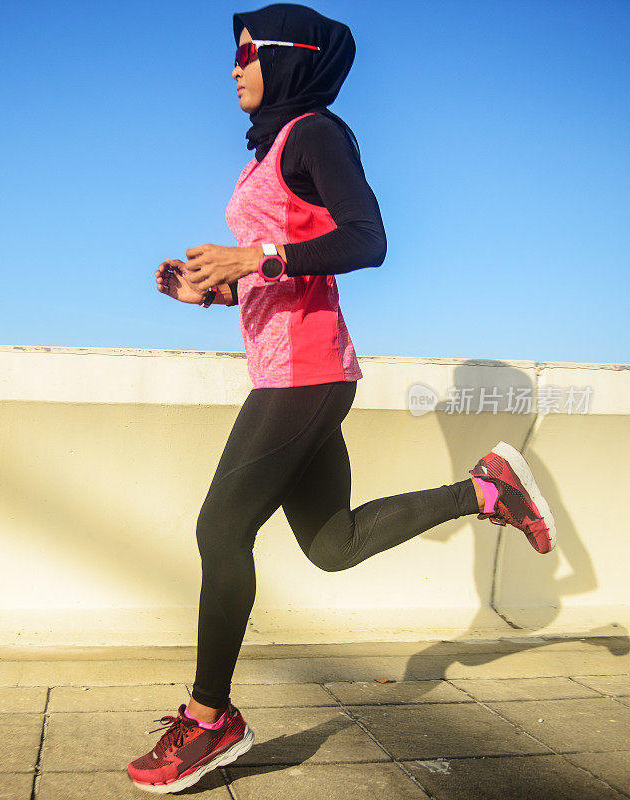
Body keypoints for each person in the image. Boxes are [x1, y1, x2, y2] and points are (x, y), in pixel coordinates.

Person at [127, 3, 556, 793]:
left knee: (220, 530)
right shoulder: (266, 152)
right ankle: (486, 488)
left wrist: (254, 254)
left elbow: (368, 239)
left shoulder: (316, 131)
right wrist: (215, 290)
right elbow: (283, 266)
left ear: (289, 59)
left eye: (248, 53)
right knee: (333, 545)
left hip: (309, 372)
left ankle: (210, 718)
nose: (234, 68)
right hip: (289, 369)